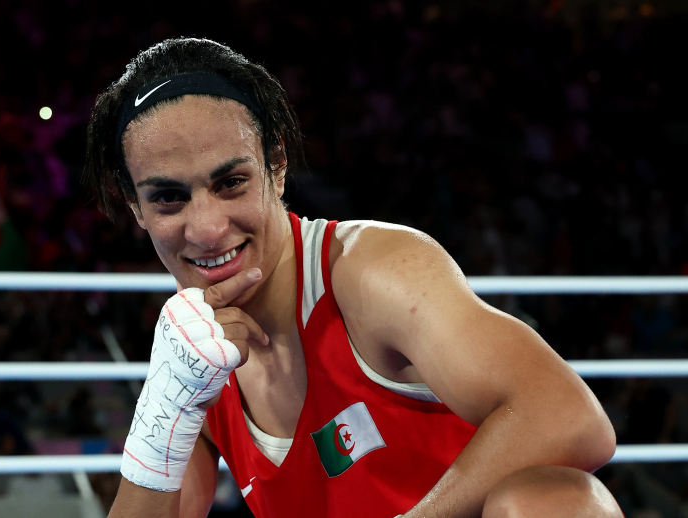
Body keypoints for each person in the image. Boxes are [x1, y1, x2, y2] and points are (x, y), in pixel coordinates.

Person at [85, 37, 622, 518]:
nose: (206, 229)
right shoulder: (196, 358)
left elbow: (570, 417)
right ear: (135, 206)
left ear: (276, 167)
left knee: (558, 504)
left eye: (230, 183)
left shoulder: (371, 270)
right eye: (169, 197)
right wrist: (162, 408)